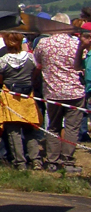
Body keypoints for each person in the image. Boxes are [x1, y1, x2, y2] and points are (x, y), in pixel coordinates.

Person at [33, 14, 85, 172]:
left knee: (53, 127)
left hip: (53, 92)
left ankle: (52, 160)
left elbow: (37, 63)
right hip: (75, 91)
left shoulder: (44, 43)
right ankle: (67, 161)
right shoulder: (76, 43)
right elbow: (82, 64)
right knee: (71, 128)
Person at [0, 32, 42, 170]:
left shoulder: (3, 60)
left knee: (13, 132)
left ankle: (20, 163)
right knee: (30, 130)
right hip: (27, 96)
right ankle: (36, 160)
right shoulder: (30, 58)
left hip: (10, 97)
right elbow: (36, 71)